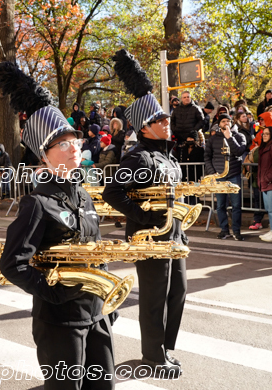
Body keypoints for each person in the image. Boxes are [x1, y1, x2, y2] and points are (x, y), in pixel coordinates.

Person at [0, 61, 117, 389]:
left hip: (98, 314)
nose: (73, 147)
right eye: (62, 144)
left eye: (74, 141)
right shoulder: (36, 203)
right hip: (60, 323)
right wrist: (53, 292)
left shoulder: (85, 196)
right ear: (45, 156)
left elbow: (95, 252)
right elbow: (13, 264)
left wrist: (108, 299)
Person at [102, 49, 186, 377]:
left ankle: (164, 348)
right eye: (160, 121)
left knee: (177, 292)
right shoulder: (138, 157)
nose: (167, 123)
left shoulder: (169, 157)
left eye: (166, 119)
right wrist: (145, 217)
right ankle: (152, 356)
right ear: (146, 128)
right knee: (154, 299)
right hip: (150, 239)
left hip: (174, 237)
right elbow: (112, 192)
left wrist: (180, 225)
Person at [205, 113, 247, 240]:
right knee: (220, 205)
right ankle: (224, 230)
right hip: (219, 176)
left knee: (236, 205)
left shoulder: (239, 136)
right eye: (223, 121)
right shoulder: (213, 139)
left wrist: (229, 137)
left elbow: (239, 152)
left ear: (232, 122)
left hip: (234, 174)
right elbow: (207, 157)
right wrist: (212, 172)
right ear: (219, 124)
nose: (226, 123)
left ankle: (236, 231)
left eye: (228, 121)